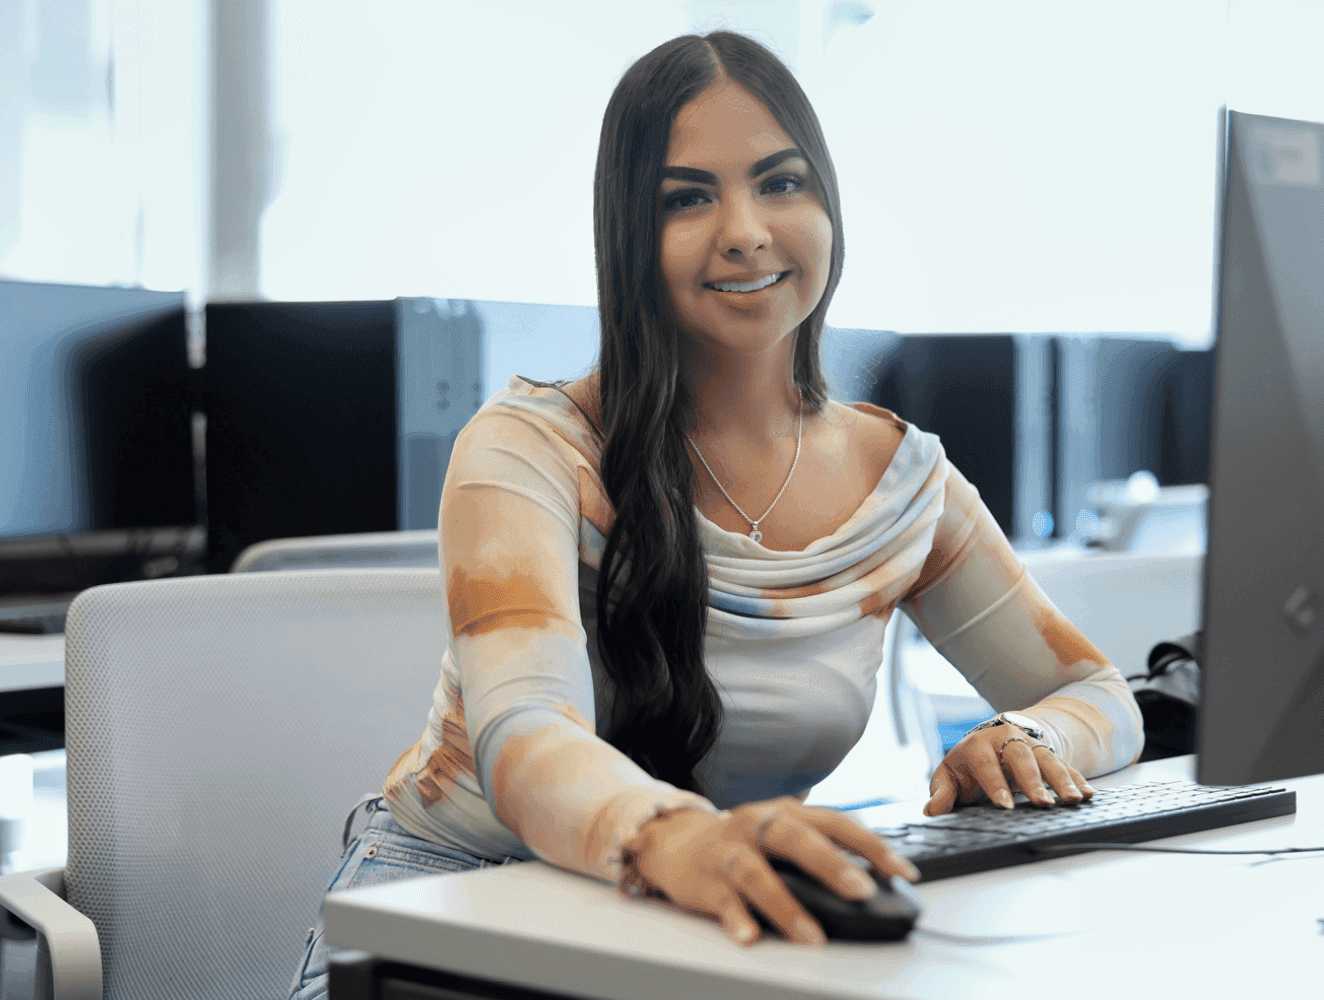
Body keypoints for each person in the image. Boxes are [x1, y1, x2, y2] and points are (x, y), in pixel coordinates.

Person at [288, 30, 1141, 999]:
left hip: (703, 916)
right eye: (687, 198)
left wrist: (1032, 739)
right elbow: (525, 735)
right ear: (628, 237)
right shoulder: (528, 449)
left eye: (780, 183)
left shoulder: (903, 482)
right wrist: (675, 835)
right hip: (455, 907)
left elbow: (1097, 693)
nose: (744, 229)